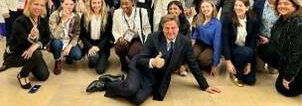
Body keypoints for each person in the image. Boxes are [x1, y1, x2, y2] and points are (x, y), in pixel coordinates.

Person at [86, 14, 221, 105]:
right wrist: (152, 62)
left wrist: (205, 86)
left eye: (173, 28)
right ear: (162, 28)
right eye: (166, 28)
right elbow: (140, 59)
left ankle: (119, 80)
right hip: (140, 68)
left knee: (137, 100)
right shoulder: (153, 37)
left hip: (156, 78)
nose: (170, 31)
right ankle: (105, 84)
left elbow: (193, 64)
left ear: (178, 28)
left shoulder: (184, 42)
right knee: (130, 90)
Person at [0, 0, 50, 88]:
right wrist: (30, 37)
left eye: (41, 5)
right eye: (36, 4)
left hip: (32, 52)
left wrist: (36, 44)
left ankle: (30, 63)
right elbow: (18, 44)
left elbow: (47, 37)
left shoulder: (42, 19)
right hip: (14, 54)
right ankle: (22, 75)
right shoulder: (20, 21)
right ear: (29, 4)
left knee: (43, 76)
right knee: (37, 54)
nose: (38, 7)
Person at [222, 0, 258, 87]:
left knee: (250, 81)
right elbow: (225, 41)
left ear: (247, 8)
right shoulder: (228, 18)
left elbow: (252, 42)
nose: (237, 8)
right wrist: (228, 61)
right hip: (233, 50)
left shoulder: (253, 20)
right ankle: (234, 72)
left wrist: (249, 63)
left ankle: (241, 68)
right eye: (236, 5)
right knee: (246, 52)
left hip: (247, 52)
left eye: (240, 5)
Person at [112, 0, 151, 71]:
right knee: (119, 47)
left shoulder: (142, 12)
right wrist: (119, 38)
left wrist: (146, 43)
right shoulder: (117, 13)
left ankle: (133, 64)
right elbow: (115, 30)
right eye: (122, 4)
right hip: (124, 38)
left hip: (136, 38)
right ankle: (123, 61)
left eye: (126, 3)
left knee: (133, 54)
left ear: (133, 3)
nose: (123, 6)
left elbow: (147, 29)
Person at [274, 0, 302, 97]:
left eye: (286, 3)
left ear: (294, 6)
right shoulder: (283, 19)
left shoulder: (297, 23)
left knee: (284, 90)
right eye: (280, 3)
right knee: (264, 49)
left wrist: (288, 76)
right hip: (288, 58)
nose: (282, 6)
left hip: (299, 62)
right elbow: (278, 38)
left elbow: (298, 53)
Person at [49, 0, 82, 75]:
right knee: (56, 43)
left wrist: (70, 46)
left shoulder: (76, 17)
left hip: (69, 41)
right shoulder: (55, 15)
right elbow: (54, 35)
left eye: (71, 4)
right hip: (58, 41)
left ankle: (69, 57)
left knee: (77, 55)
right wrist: (63, 21)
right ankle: (58, 60)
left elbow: (77, 34)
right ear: (62, 4)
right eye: (66, 4)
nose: (69, 7)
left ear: (74, 5)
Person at [80, 0, 113, 74]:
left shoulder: (107, 15)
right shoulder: (85, 15)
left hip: (103, 45)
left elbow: (108, 35)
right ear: (90, 4)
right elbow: (82, 35)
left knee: (100, 70)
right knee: (93, 59)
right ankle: (93, 59)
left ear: (102, 3)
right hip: (90, 44)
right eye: (94, 3)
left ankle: (102, 59)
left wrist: (99, 47)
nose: (96, 5)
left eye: (99, 3)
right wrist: (90, 47)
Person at [254, 0, 282, 72]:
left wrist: (271, 40)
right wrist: (258, 37)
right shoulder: (258, 4)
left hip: (275, 42)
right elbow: (254, 23)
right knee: (259, 69)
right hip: (261, 40)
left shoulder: (282, 6)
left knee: (272, 70)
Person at [192, 0, 222, 76]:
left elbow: (217, 45)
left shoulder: (217, 24)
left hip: (211, 46)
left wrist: (215, 65)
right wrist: (193, 40)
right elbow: (196, 31)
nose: (205, 9)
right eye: (203, 7)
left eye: (207, 6)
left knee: (203, 60)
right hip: (200, 43)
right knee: (192, 55)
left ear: (212, 7)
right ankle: (196, 65)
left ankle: (208, 65)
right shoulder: (199, 17)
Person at [166, 0, 191, 76]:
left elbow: (187, 40)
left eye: (175, 8)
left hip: (180, 47)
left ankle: (182, 66)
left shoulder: (186, 23)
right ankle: (176, 68)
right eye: (170, 9)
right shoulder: (164, 21)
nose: (172, 11)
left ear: (180, 11)